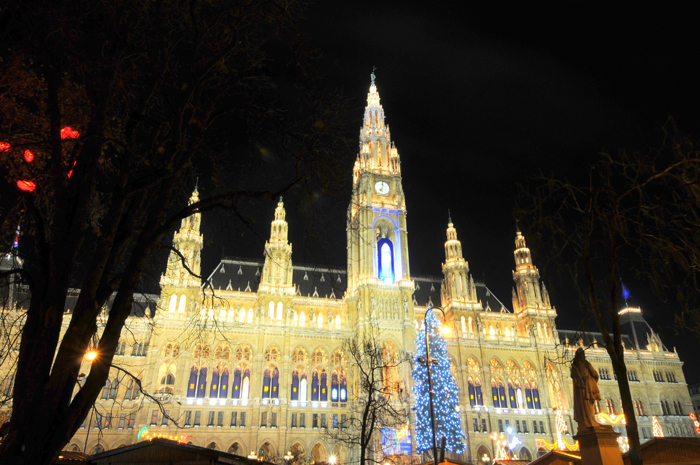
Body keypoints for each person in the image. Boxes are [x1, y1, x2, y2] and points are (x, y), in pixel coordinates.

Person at [570, 347, 602, 429]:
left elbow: (573, 377)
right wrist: (593, 381)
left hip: (580, 389)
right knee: (589, 404)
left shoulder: (574, 366)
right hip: (588, 387)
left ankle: (586, 421)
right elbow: (595, 374)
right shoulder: (585, 363)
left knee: (583, 405)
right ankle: (590, 421)